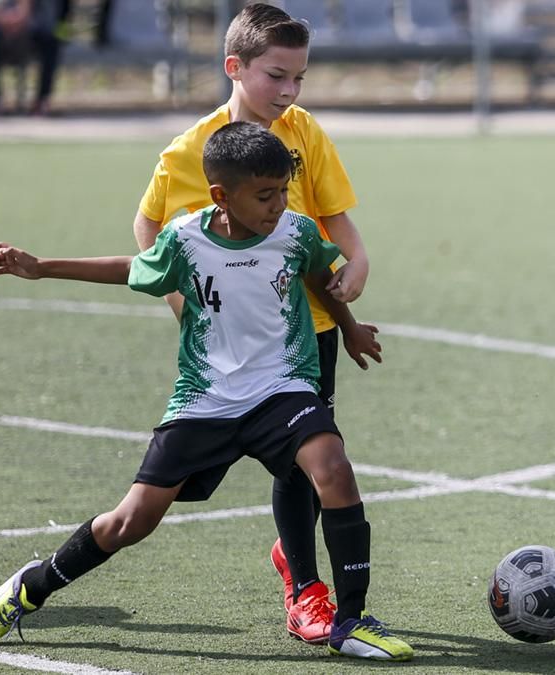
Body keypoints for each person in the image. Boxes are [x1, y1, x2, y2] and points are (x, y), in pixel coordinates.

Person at [0, 122, 413, 662]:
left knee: (333, 467)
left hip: (281, 388)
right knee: (132, 521)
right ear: (222, 196)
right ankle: (31, 587)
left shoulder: (294, 231)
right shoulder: (187, 239)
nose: (279, 204)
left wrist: (348, 326)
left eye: (283, 191)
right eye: (265, 194)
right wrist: (42, 268)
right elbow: (132, 268)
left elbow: (319, 272)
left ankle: (351, 620)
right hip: (206, 399)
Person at [133, 3, 375, 643]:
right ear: (235, 68)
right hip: (226, 350)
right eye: (277, 77)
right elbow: (148, 228)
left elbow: (335, 218)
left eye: (299, 78)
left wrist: (357, 264)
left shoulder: (304, 133)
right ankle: (298, 566)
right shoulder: (191, 151)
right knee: (176, 486)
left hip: (309, 329)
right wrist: (185, 305)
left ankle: (305, 589)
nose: (290, 92)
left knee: (303, 465)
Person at [0, 0, 62, 115]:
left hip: (17, 17)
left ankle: (42, 101)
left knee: (50, 40)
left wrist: (20, 17)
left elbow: (25, 6)